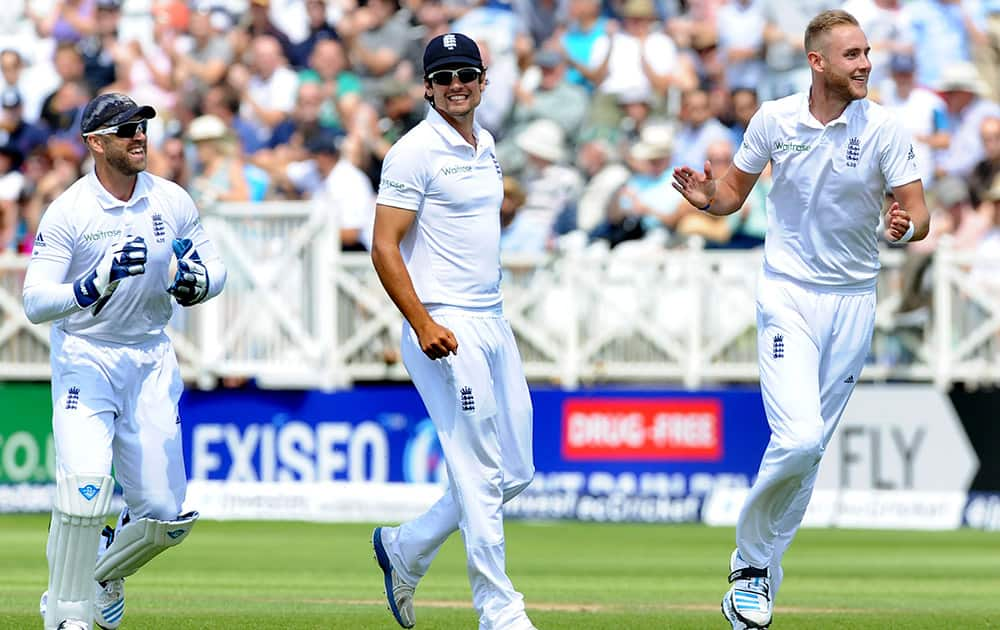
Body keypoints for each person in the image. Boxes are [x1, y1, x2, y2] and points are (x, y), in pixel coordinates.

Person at [672, 10, 929, 629]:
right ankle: (751, 566)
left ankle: (757, 577)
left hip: (852, 302)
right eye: (852, 55)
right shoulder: (773, 119)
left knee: (808, 454)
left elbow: (919, 213)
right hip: (787, 295)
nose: (865, 62)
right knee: (798, 438)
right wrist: (708, 198)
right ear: (817, 62)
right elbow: (732, 195)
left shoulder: (886, 128)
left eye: (866, 52)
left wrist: (904, 226)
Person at [22, 93, 227, 630]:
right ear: (95, 143)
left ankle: (104, 572)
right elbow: (35, 300)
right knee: (84, 489)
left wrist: (200, 283)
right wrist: (93, 282)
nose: (140, 136)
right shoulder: (70, 210)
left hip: (152, 357)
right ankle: (66, 612)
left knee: (165, 516)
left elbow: (214, 266)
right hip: (87, 358)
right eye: (126, 129)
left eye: (142, 126)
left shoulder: (171, 199)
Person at [369, 32, 537, 630]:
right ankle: (500, 611)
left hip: (493, 320)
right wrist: (422, 322)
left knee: (515, 473)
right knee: (478, 470)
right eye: (444, 77)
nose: (456, 85)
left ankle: (407, 546)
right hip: (446, 325)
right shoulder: (413, 151)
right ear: (428, 88)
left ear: (483, 80)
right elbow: (383, 246)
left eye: (466, 73)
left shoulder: (485, 144)